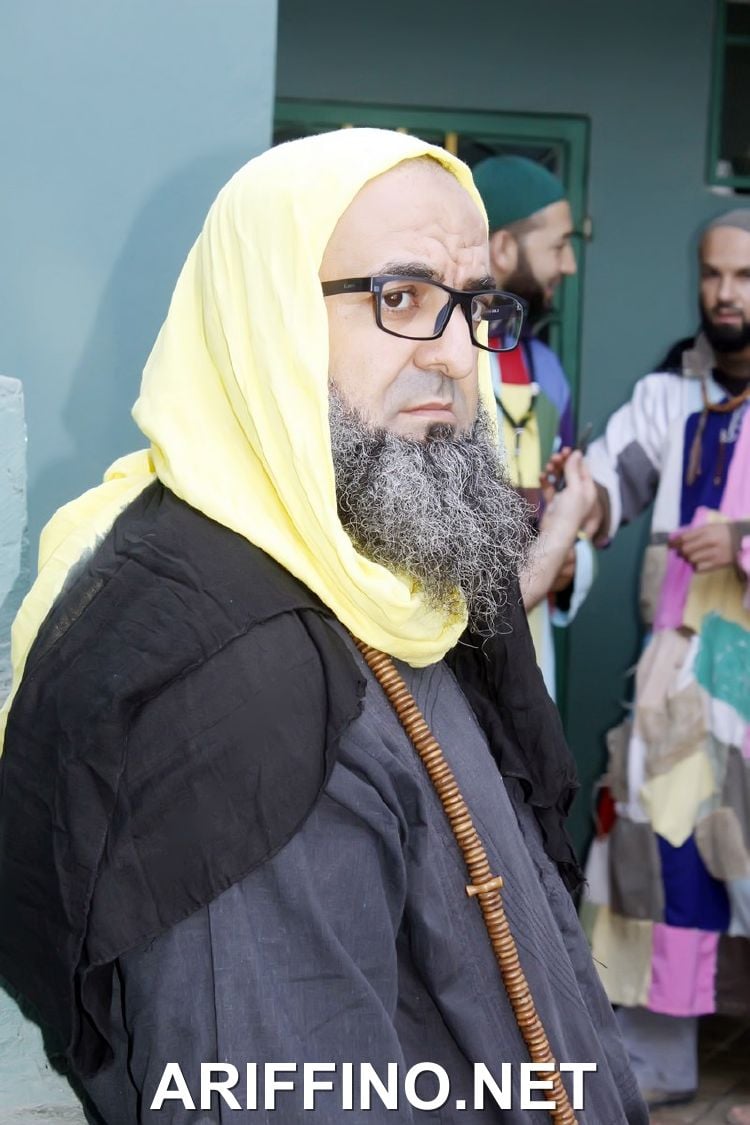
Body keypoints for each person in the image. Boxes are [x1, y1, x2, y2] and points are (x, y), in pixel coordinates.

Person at [0, 129, 645, 1123]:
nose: (453, 357)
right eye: (401, 297)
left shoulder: (395, 561)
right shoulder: (228, 690)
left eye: (473, 307)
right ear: (267, 317)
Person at [573, 209, 750, 1111]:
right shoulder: (669, 394)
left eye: (745, 277)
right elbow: (610, 480)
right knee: (660, 845)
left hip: (745, 667)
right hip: (678, 669)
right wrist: (573, 501)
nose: (725, 293)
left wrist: (744, 541)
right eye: (714, 274)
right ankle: (658, 1052)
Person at [472, 155, 596, 699]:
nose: (568, 265)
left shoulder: (545, 370)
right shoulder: (436, 361)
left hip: (531, 651)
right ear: (502, 247)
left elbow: (566, 507)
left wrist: (570, 559)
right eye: (558, 245)